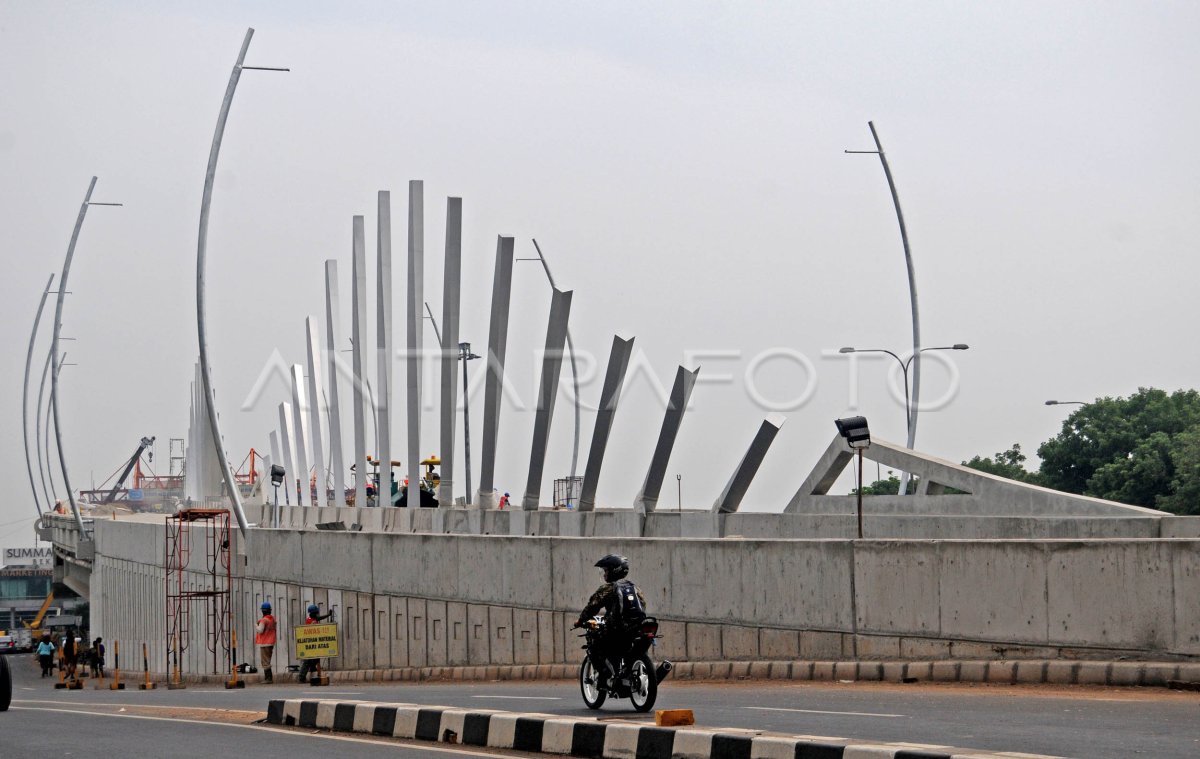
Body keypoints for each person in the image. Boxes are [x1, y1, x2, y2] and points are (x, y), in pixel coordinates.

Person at [574, 554, 646, 685]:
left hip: (616, 630)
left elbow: (592, 607)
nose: (604, 574)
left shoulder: (607, 589)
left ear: (614, 571)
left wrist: (580, 621)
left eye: (606, 570)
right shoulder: (634, 587)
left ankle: (604, 674)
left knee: (593, 643)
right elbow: (643, 605)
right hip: (636, 628)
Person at [297, 603, 333, 682]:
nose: (317, 614)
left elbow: (319, 618)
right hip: (309, 644)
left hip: (314, 644)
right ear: (312, 613)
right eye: (316, 613)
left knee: (315, 659)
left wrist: (328, 615)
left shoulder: (313, 619)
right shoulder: (310, 621)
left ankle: (314, 671)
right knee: (307, 661)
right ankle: (301, 677)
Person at [255, 601, 276, 683]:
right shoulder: (273, 619)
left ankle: (268, 678)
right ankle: (269, 678)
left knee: (265, 661)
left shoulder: (263, 620)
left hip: (265, 643)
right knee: (268, 660)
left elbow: (260, 630)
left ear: (263, 611)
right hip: (271, 642)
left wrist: (256, 625)